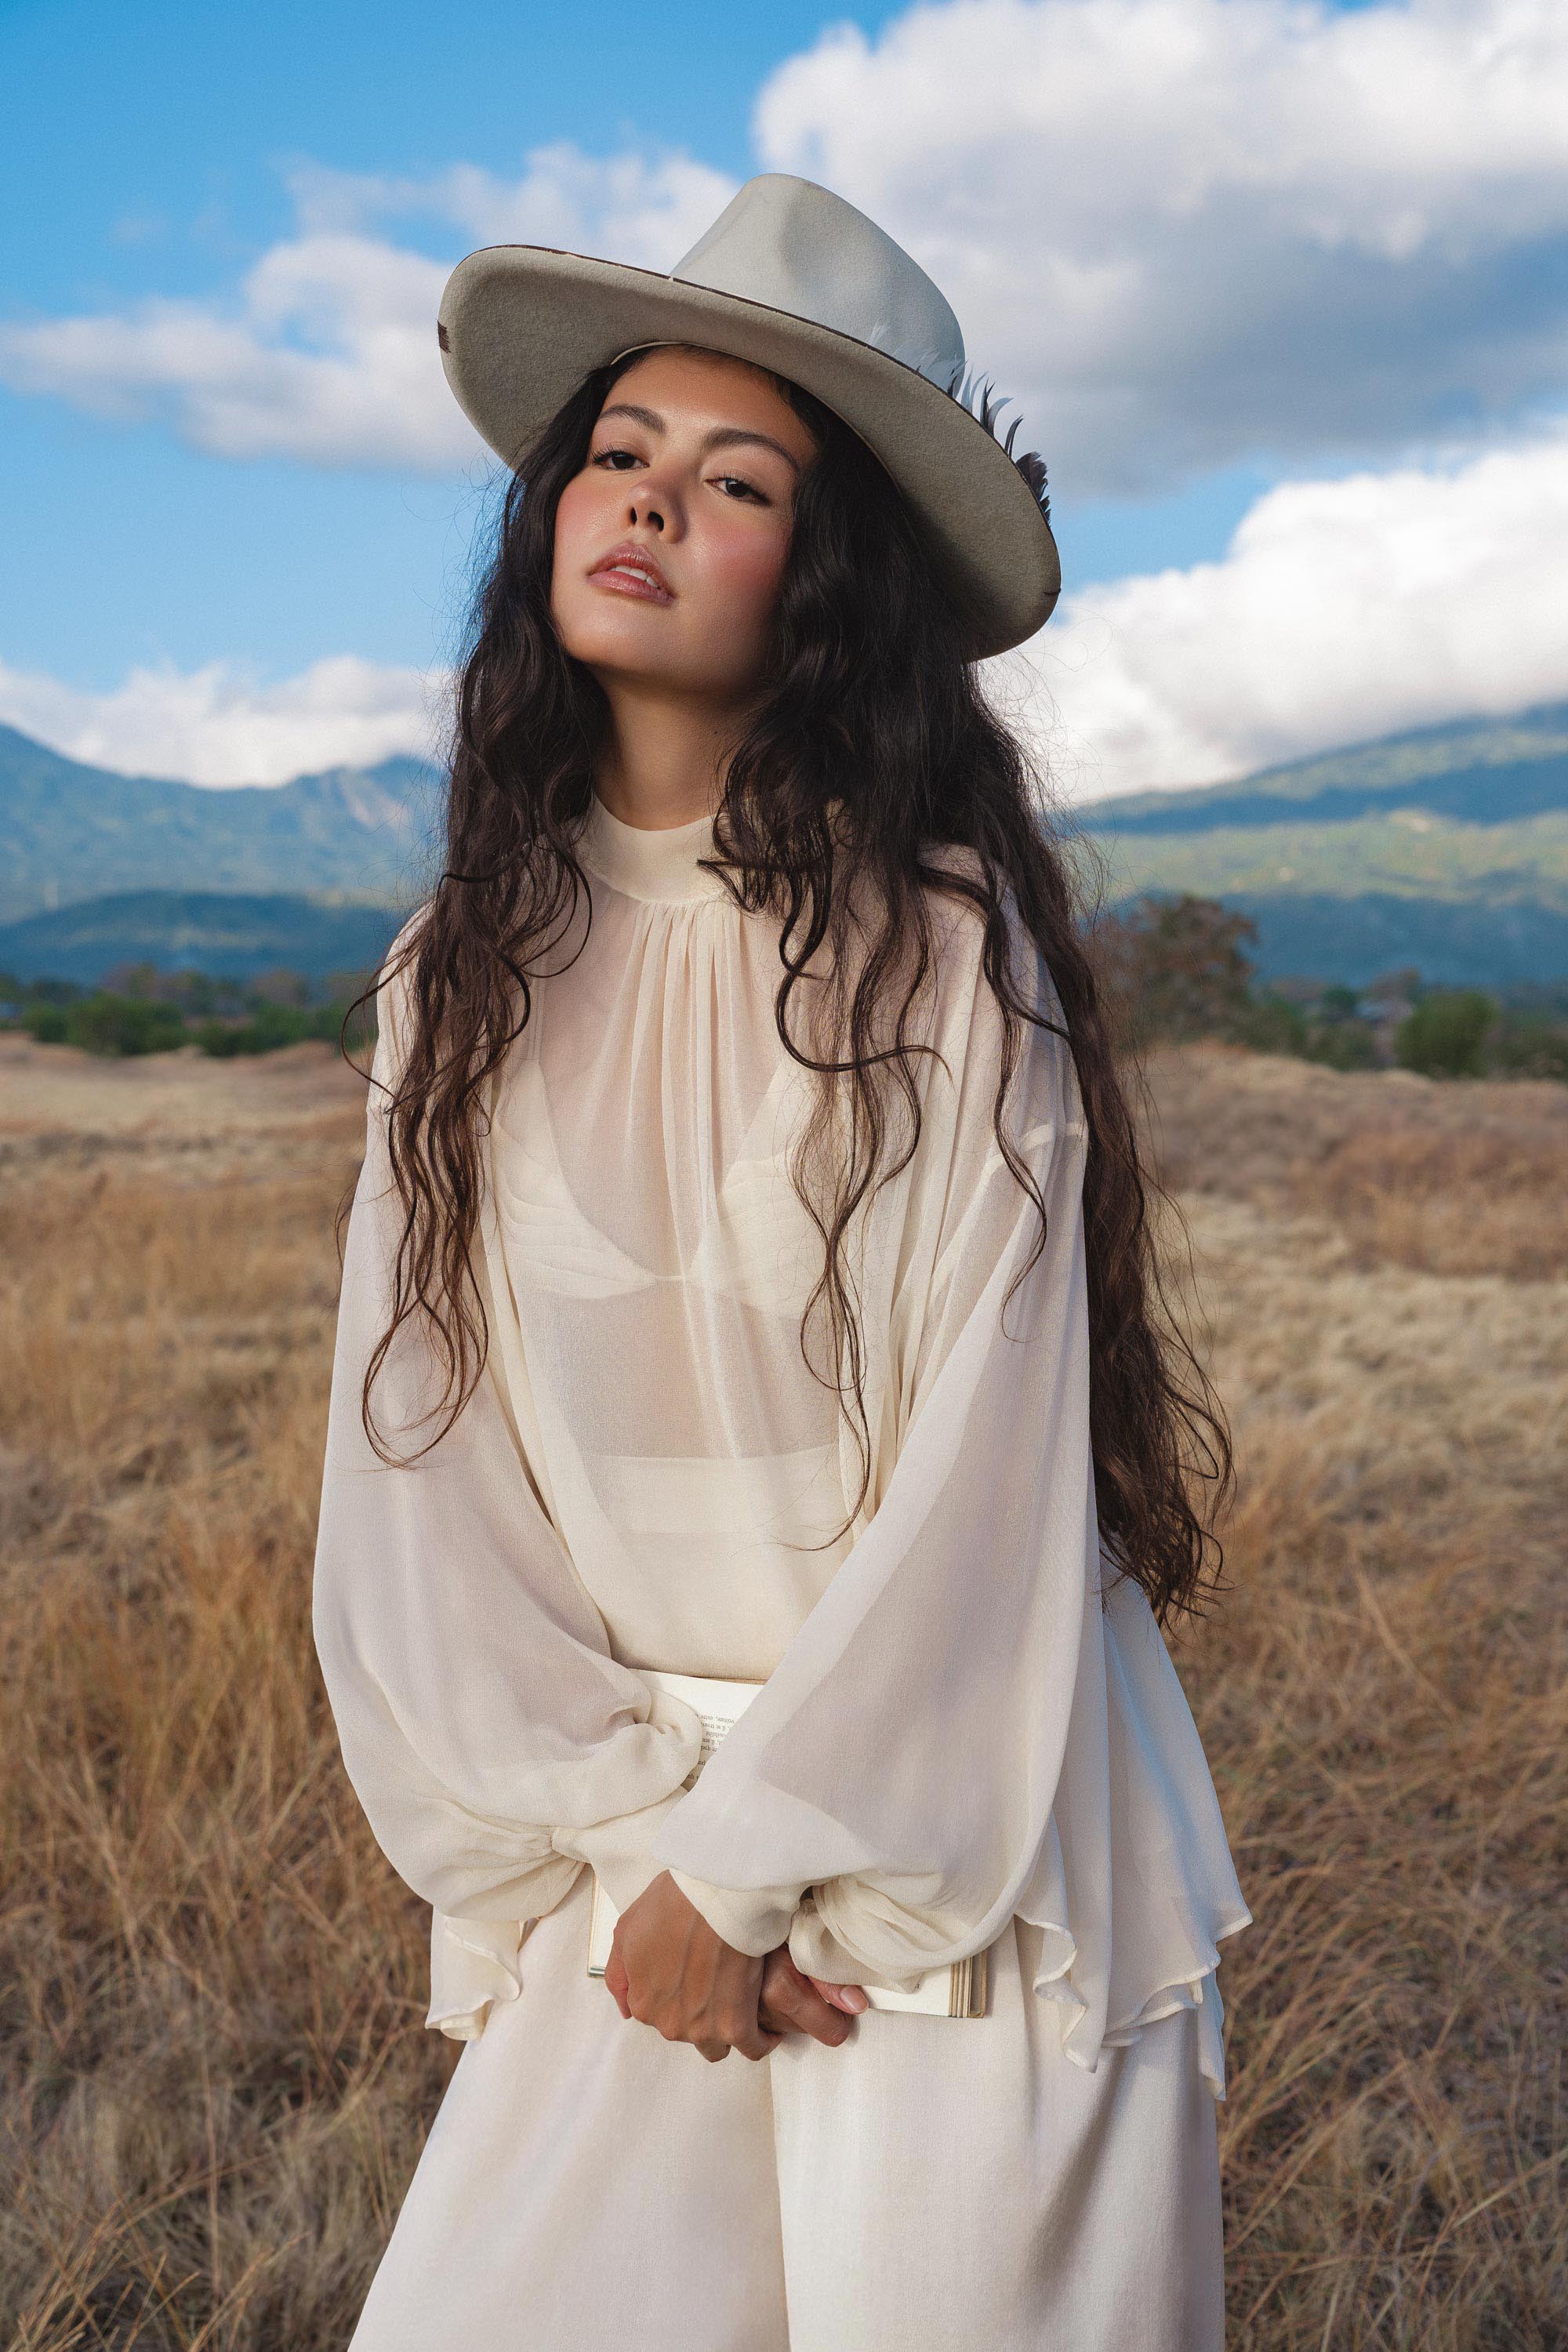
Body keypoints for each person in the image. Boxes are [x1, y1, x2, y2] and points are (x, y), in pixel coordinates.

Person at [313, 173, 1251, 2351]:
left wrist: (755, 1870)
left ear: (824, 581)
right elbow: (415, 1477)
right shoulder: (455, 971)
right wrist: (642, 1857)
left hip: (954, 1853)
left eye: (733, 483)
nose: (646, 503)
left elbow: (985, 1493)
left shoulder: (935, 955)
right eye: (616, 458)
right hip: (618, 1861)